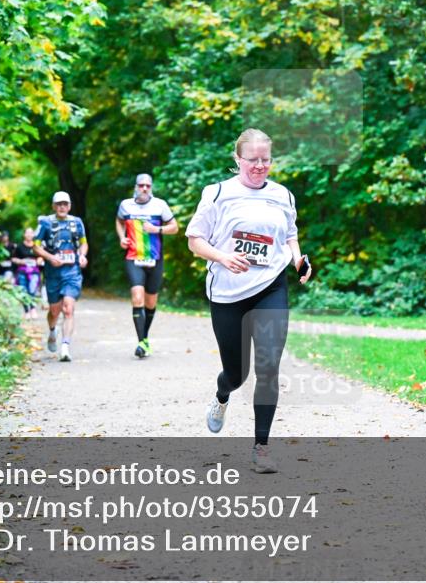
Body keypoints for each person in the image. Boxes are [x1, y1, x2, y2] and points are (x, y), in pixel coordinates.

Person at [185, 129, 312, 473]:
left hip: (271, 286)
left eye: (265, 159)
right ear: (237, 159)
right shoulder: (218, 193)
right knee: (236, 373)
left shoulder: (283, 195)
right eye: (252, 159)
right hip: (228, 292)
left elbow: (289, 236)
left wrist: (299, 260)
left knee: (268, 367)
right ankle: (222, 396)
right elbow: (194, 240)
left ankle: (261, 447)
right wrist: (223, 257)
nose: (259, 166)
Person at [115, 174, 178, 358]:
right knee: (137, 297)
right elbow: (119, 221)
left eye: (147, 186)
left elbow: (174, 227)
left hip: (155, 259)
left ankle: (145, 338)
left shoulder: (160, 205)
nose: (144, 188)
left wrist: (156, 229)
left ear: (151, 187)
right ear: (135, 186)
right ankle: (141, 342)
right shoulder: (126, 205)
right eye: (141, 185)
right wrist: (122, 237)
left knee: (151, 302)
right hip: (133, 257)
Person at [33, 191, 88, 362]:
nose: (62, 207)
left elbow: (83, 244)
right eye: (59, 204)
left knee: (68, 308)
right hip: (53, 273)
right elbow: (35, 246)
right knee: (54, 311)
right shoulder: (45, 223)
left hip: (72, 271)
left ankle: (65, 346)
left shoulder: (77, 222)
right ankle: (52, 331)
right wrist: (50, 258)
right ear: (53, 206)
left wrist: (82, 255)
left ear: (69, 206)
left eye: (65, 204)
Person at [13, 227, 43, 320]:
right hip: (22, 271)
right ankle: (26, 311)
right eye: (27, 233)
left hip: (34, 271)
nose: (29, 235)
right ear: (24, 235)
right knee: (23, 291)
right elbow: (13, 258)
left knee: (32, 290)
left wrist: (39, 260)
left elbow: (42, 256)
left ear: (34, 235)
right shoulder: (19, 246)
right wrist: (21, 261)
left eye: (31, 233)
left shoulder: (37, 246)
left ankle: (33, 309)